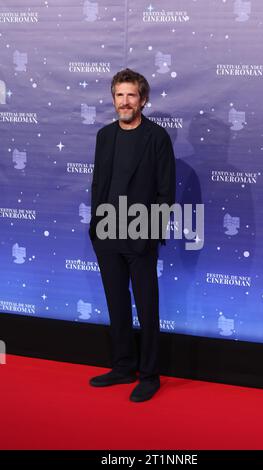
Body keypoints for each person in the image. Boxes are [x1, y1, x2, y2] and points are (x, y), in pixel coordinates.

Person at [88, 68, 176, 402]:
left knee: (147, 305)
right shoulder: (104, 136)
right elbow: (99, 184)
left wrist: (148, 234)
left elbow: (166, 195)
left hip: (140, 234)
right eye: (119, 95)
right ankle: (124, 366)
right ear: (114, 99)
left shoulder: (157, 138)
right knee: (117, 303)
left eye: (131, 96)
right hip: (107, 234)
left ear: (143, 100)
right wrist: (97, 227)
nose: (125, 102)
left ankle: (149, 374)